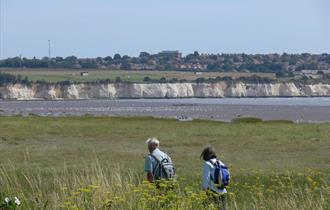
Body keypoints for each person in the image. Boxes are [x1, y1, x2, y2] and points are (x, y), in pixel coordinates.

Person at [200, 146, 227, 210]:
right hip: (223, 191)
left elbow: (206, 179)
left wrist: (204, 191)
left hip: (212, 192)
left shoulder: (207, 164)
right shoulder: (220, 163)